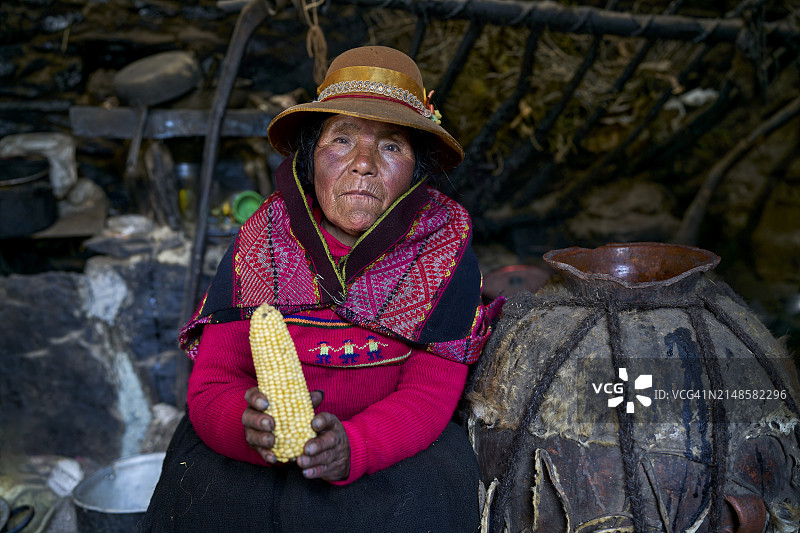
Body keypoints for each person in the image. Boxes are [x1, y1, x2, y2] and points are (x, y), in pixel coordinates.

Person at [139, 45, 504, 532]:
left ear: (416, 174)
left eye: (391, 146)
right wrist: (244, 428)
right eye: (341, 141)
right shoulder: (262, 240)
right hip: (255, 452)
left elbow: (429, 394)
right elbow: (214, 383)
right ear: (310, 159)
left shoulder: (444, 251)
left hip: (389, 442)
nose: (364, 163)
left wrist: (355, 446)